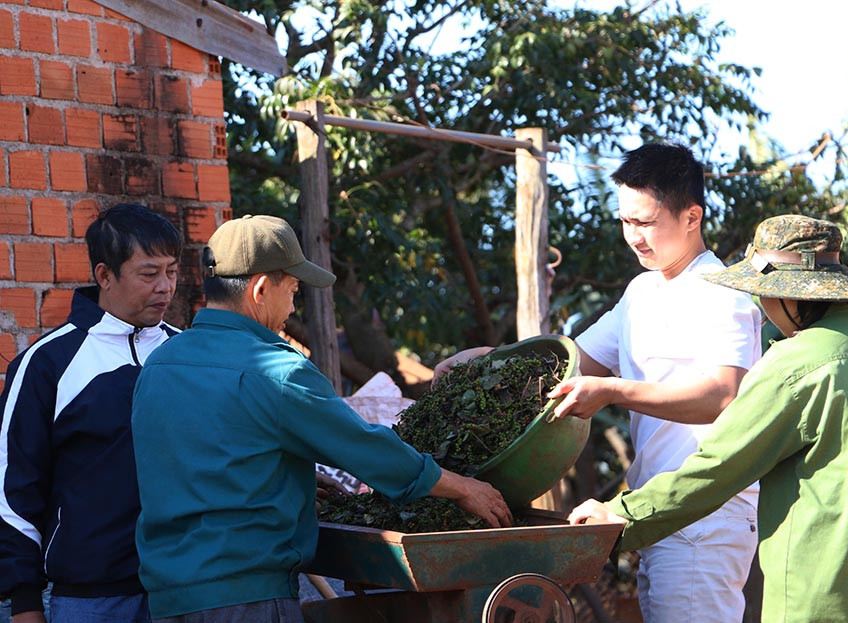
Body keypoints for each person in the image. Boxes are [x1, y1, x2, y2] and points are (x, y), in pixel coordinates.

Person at [437, 143, 763, 622]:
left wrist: (612, 391)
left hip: (706, 517)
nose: (635, 237)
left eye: (647, 222)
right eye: (626, 222)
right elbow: (570, 362)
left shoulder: (722, 293)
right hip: (655, 510)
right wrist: (487, 361)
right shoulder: (642, 291)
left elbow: (720, 394)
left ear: (692, 217)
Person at [131, 215, 512, 622]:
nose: (293, 306)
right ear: (261, 289)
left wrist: (287, 476)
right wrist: (461, 487)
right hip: (245, 599)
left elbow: (201, 455)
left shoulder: (160, 364)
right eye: (293, 290)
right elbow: (363, 448)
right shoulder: (275, 370)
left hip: (167, 599)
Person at [569, 214, 848, 623]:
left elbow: (720, 467)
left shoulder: (794, 366)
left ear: (788, 296)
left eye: (762, 293)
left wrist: (623, 516)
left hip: (819, 591)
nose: (761, 307)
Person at [0, 204, 183, 623]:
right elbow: (13, 491)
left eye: (172, 271)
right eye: (149, 273)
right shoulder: (47, 363)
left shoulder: (188, 354)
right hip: (89, 600)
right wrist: (24, 604)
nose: (166, 287)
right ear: (104, 275)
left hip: (184, 589)